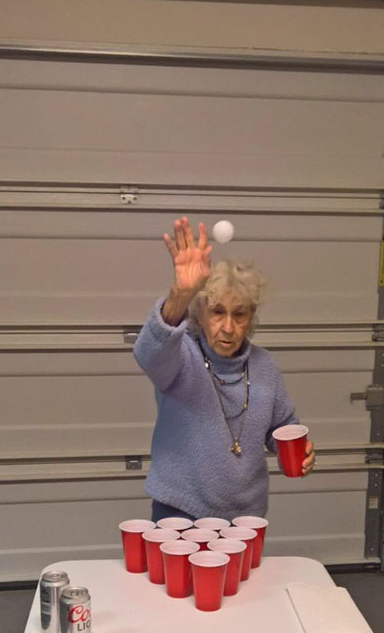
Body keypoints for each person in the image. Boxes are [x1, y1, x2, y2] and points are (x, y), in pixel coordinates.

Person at [133, 216, 315, 522]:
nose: (228, 327)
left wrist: (301, 454)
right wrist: (181, 293)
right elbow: (147, 354)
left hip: (245, 519)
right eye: (218, 312)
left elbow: (282, 430)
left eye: (239, 314)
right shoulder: (180, 356)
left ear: (251, 317)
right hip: (179, 512)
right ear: (200, 314)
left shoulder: (265, 367)